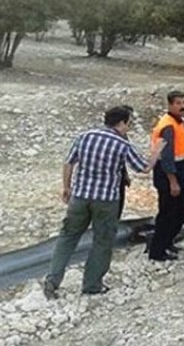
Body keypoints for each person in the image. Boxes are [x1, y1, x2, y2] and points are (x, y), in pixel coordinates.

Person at [43, 106, 163, 299]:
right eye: (128, 124)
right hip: (106, 200)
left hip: (80, 196)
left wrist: (66, 187)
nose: (128, 128)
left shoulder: (85, 136)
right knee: (102, 241)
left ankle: (52, 280)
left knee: (67, 237)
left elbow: (69, 162)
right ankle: (92, 284)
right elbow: (144, 168)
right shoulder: (122, 144)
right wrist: (156, 152)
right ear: (122, 122)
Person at [149, 90, 184, 261]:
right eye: (178, 103)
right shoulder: (168, 126)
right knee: (167, 213)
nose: (182, 106)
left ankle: (167, 243)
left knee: (179, 211)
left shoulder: (178, 122)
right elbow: (166, 157)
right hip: (168, 174)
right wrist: (173, 182)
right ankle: (157, 251)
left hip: (179, 170)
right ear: (170, 104)